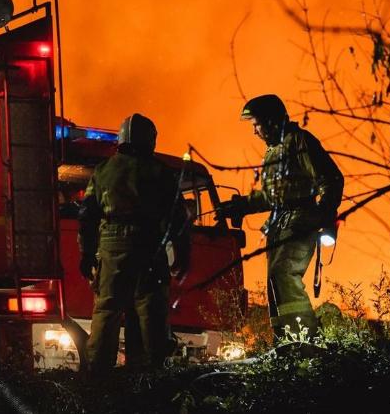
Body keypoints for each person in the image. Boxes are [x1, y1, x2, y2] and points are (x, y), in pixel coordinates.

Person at [218, 94, 344, 340]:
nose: (254, 131)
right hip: (279, 226)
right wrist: (241, 205)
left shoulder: (299, 141)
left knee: (283, 274)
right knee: (275, 283)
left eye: (257, 124)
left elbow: (331, 179)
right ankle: (285, 341)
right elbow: (272, 197)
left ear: (272, 121)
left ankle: (306, 341)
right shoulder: (273, 151)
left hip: (300, 221)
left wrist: (324, 215)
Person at [78, 113, 189, 371]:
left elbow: (87, 216)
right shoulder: (160, 172)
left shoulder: (102, 171)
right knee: (150, 313)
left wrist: (86, 254)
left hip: (111, 251)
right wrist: (182, 255)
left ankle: (97, 376)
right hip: (148, 248)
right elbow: (178, 218)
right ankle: (150, 375)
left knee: (107, 311)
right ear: (150, 140)